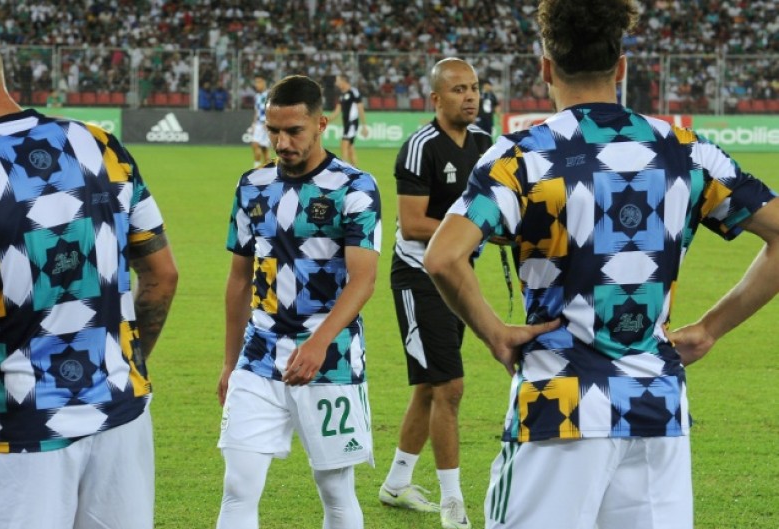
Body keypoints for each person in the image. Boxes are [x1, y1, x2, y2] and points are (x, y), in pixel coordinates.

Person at [422, 1, 779, 529]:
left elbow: (443, 257)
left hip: (557, 406)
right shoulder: (687, 151)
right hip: (656, 408)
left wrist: (495, 333)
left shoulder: (521, 156)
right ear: (621, 66)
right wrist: (709, 329)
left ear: (546, 68)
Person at [0, 22, 179, 529]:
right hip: (122, 421)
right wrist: (117, 365)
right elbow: (162, 276)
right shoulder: (101, 146)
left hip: (18, 436)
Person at [216, 75, 381, 529]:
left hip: (331, 359)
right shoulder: (251, 185)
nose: (281, 142)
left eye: (294, 131)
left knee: (335, 491)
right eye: (273, 131)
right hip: (260, 352)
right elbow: (238, 279)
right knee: (239, 486)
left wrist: (319, 343)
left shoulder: (355, 186)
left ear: (321, 124)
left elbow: (363, 280)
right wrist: (231, 363)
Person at [379, 58, 491, 529]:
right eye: (459, 90)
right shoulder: (420, 147)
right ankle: (452, 504)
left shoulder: (487, 144)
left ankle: (397, 483)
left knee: (430, 383)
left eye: (474, 88)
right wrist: (475, 231)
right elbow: (412, 223)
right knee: (450, 385)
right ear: (436, 99)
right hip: (418, 276)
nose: (469, 97)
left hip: (458, 276)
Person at [328, 74, 367, 167]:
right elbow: (337, 112)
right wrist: (325, 120)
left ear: (343, 81)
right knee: (350, 149)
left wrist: (364, 126)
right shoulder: (342, 95)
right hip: (347, 125)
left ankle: (343, 170)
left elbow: (360, 108)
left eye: (337, 81)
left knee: (343, 145)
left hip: (352, 123)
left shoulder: (353, 92)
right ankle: (356, 172)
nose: (336, 83)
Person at [250, 74, 270, 168]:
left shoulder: (269, 95)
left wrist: (269, 122)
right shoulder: (257, 96)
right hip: (258, 124)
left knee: (264, 149)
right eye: (255, 82)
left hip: (265, 124)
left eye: (258, 82)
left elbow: (272, 109)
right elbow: (257, 111)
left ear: (264, 82)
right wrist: (253, 123)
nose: (256, 84)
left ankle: (266, 171)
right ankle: (257, 168)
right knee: (255, 144)